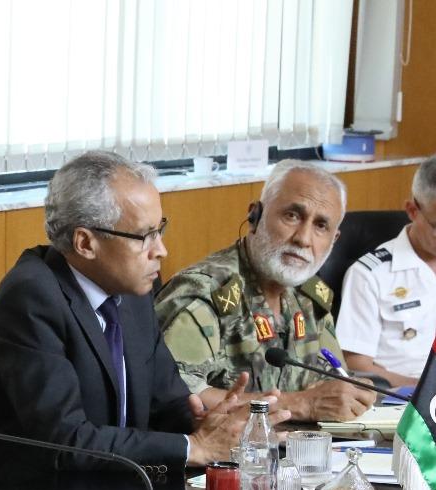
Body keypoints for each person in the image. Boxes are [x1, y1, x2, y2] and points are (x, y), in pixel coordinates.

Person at [0, 151, 270, 490]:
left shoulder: (132, 290)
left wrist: (204, 422)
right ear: (86, 243)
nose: (160, 250)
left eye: (160, 230)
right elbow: (65, 440)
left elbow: (167, 400)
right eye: (145, 236)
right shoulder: (31, 298)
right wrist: (193, 447)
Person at [156, 160, 376, 421]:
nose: (303, 239)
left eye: (321, 226)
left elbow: (332, 380)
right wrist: (300, 405)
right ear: (255, 216)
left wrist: (350, 395)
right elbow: (174, 398)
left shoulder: (310, 296)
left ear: (334, 240)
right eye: (292, 216)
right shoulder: (205, 295)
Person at [336, 154, 436, 387]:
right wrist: (424, 389)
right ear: (412, 210)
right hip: (403, 398)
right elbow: (357, 364)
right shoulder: (369, 275)